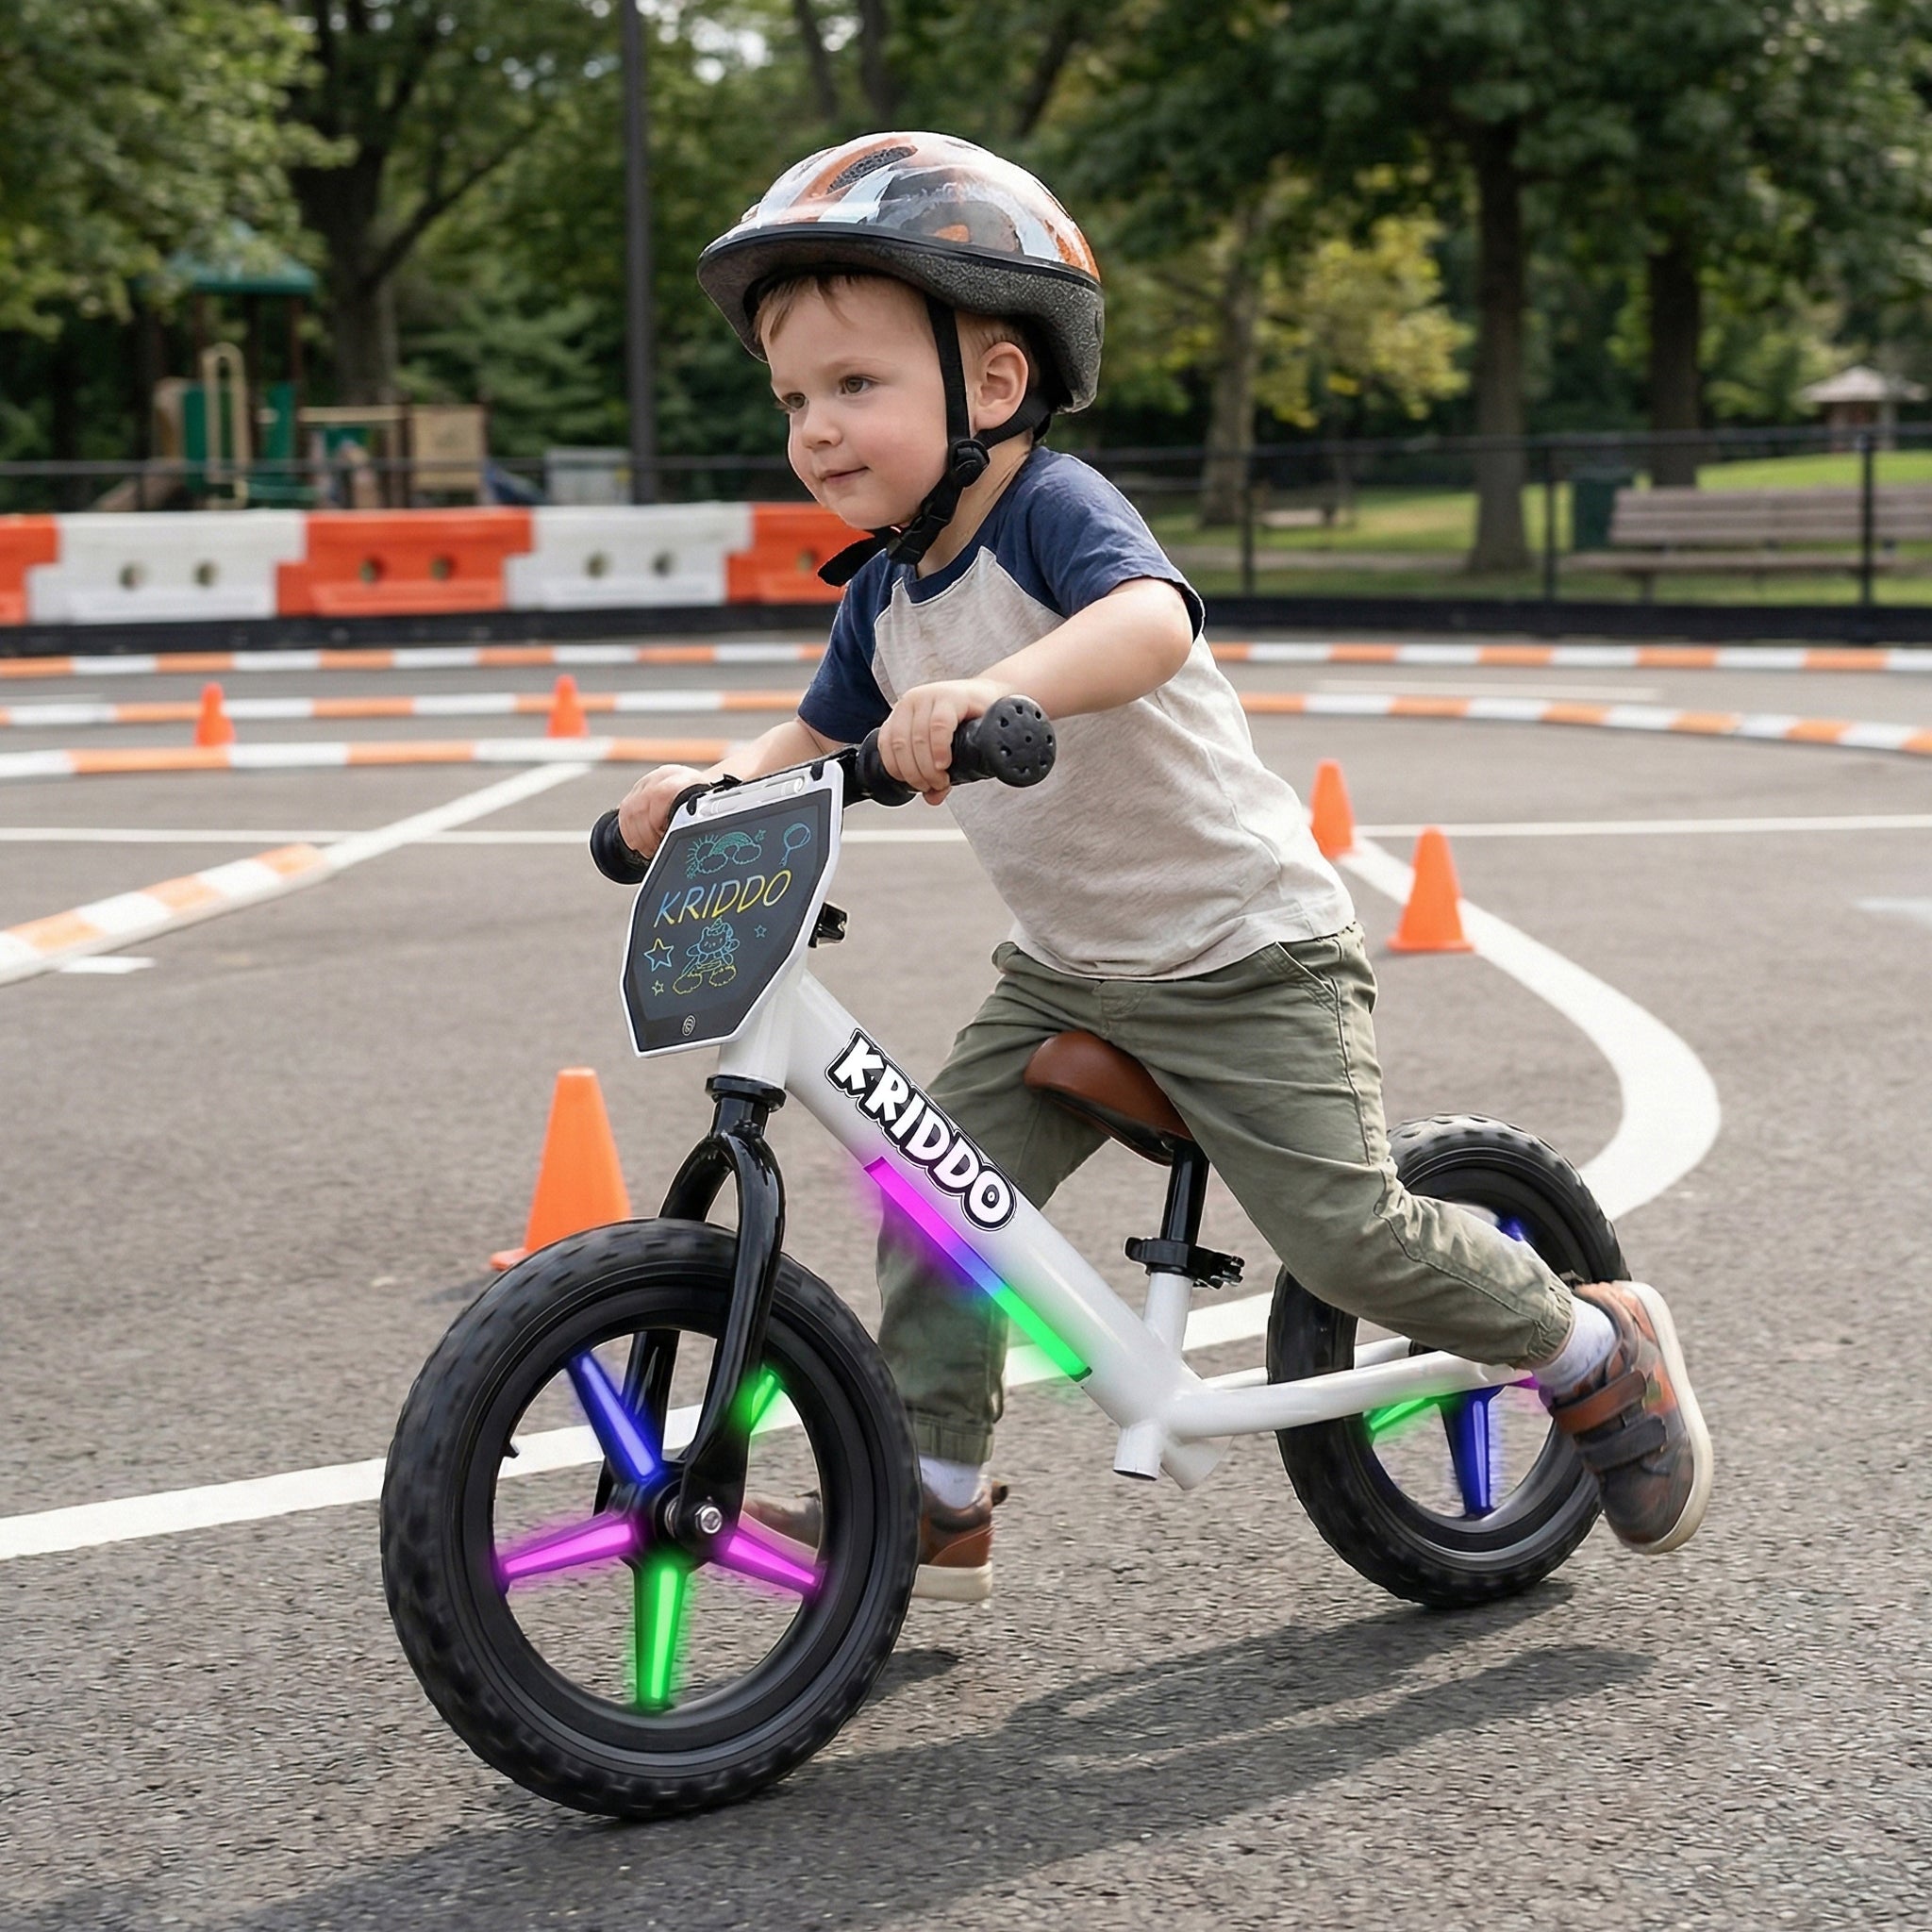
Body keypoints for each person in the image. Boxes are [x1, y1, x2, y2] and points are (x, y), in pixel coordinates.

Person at [616, 132, 1712, 1602]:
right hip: (1072, 973)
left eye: (856, 386)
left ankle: (1591, 1343)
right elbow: (813, 734)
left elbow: (1151, 625)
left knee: (1346, 1234)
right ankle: (934, 1495)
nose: (816, 426)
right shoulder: (880, 590)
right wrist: (709, 786)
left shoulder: (1052, 513)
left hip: (1248, 953)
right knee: (931, 1198)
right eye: (795, 397)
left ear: (994, 386)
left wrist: (1005, 693)